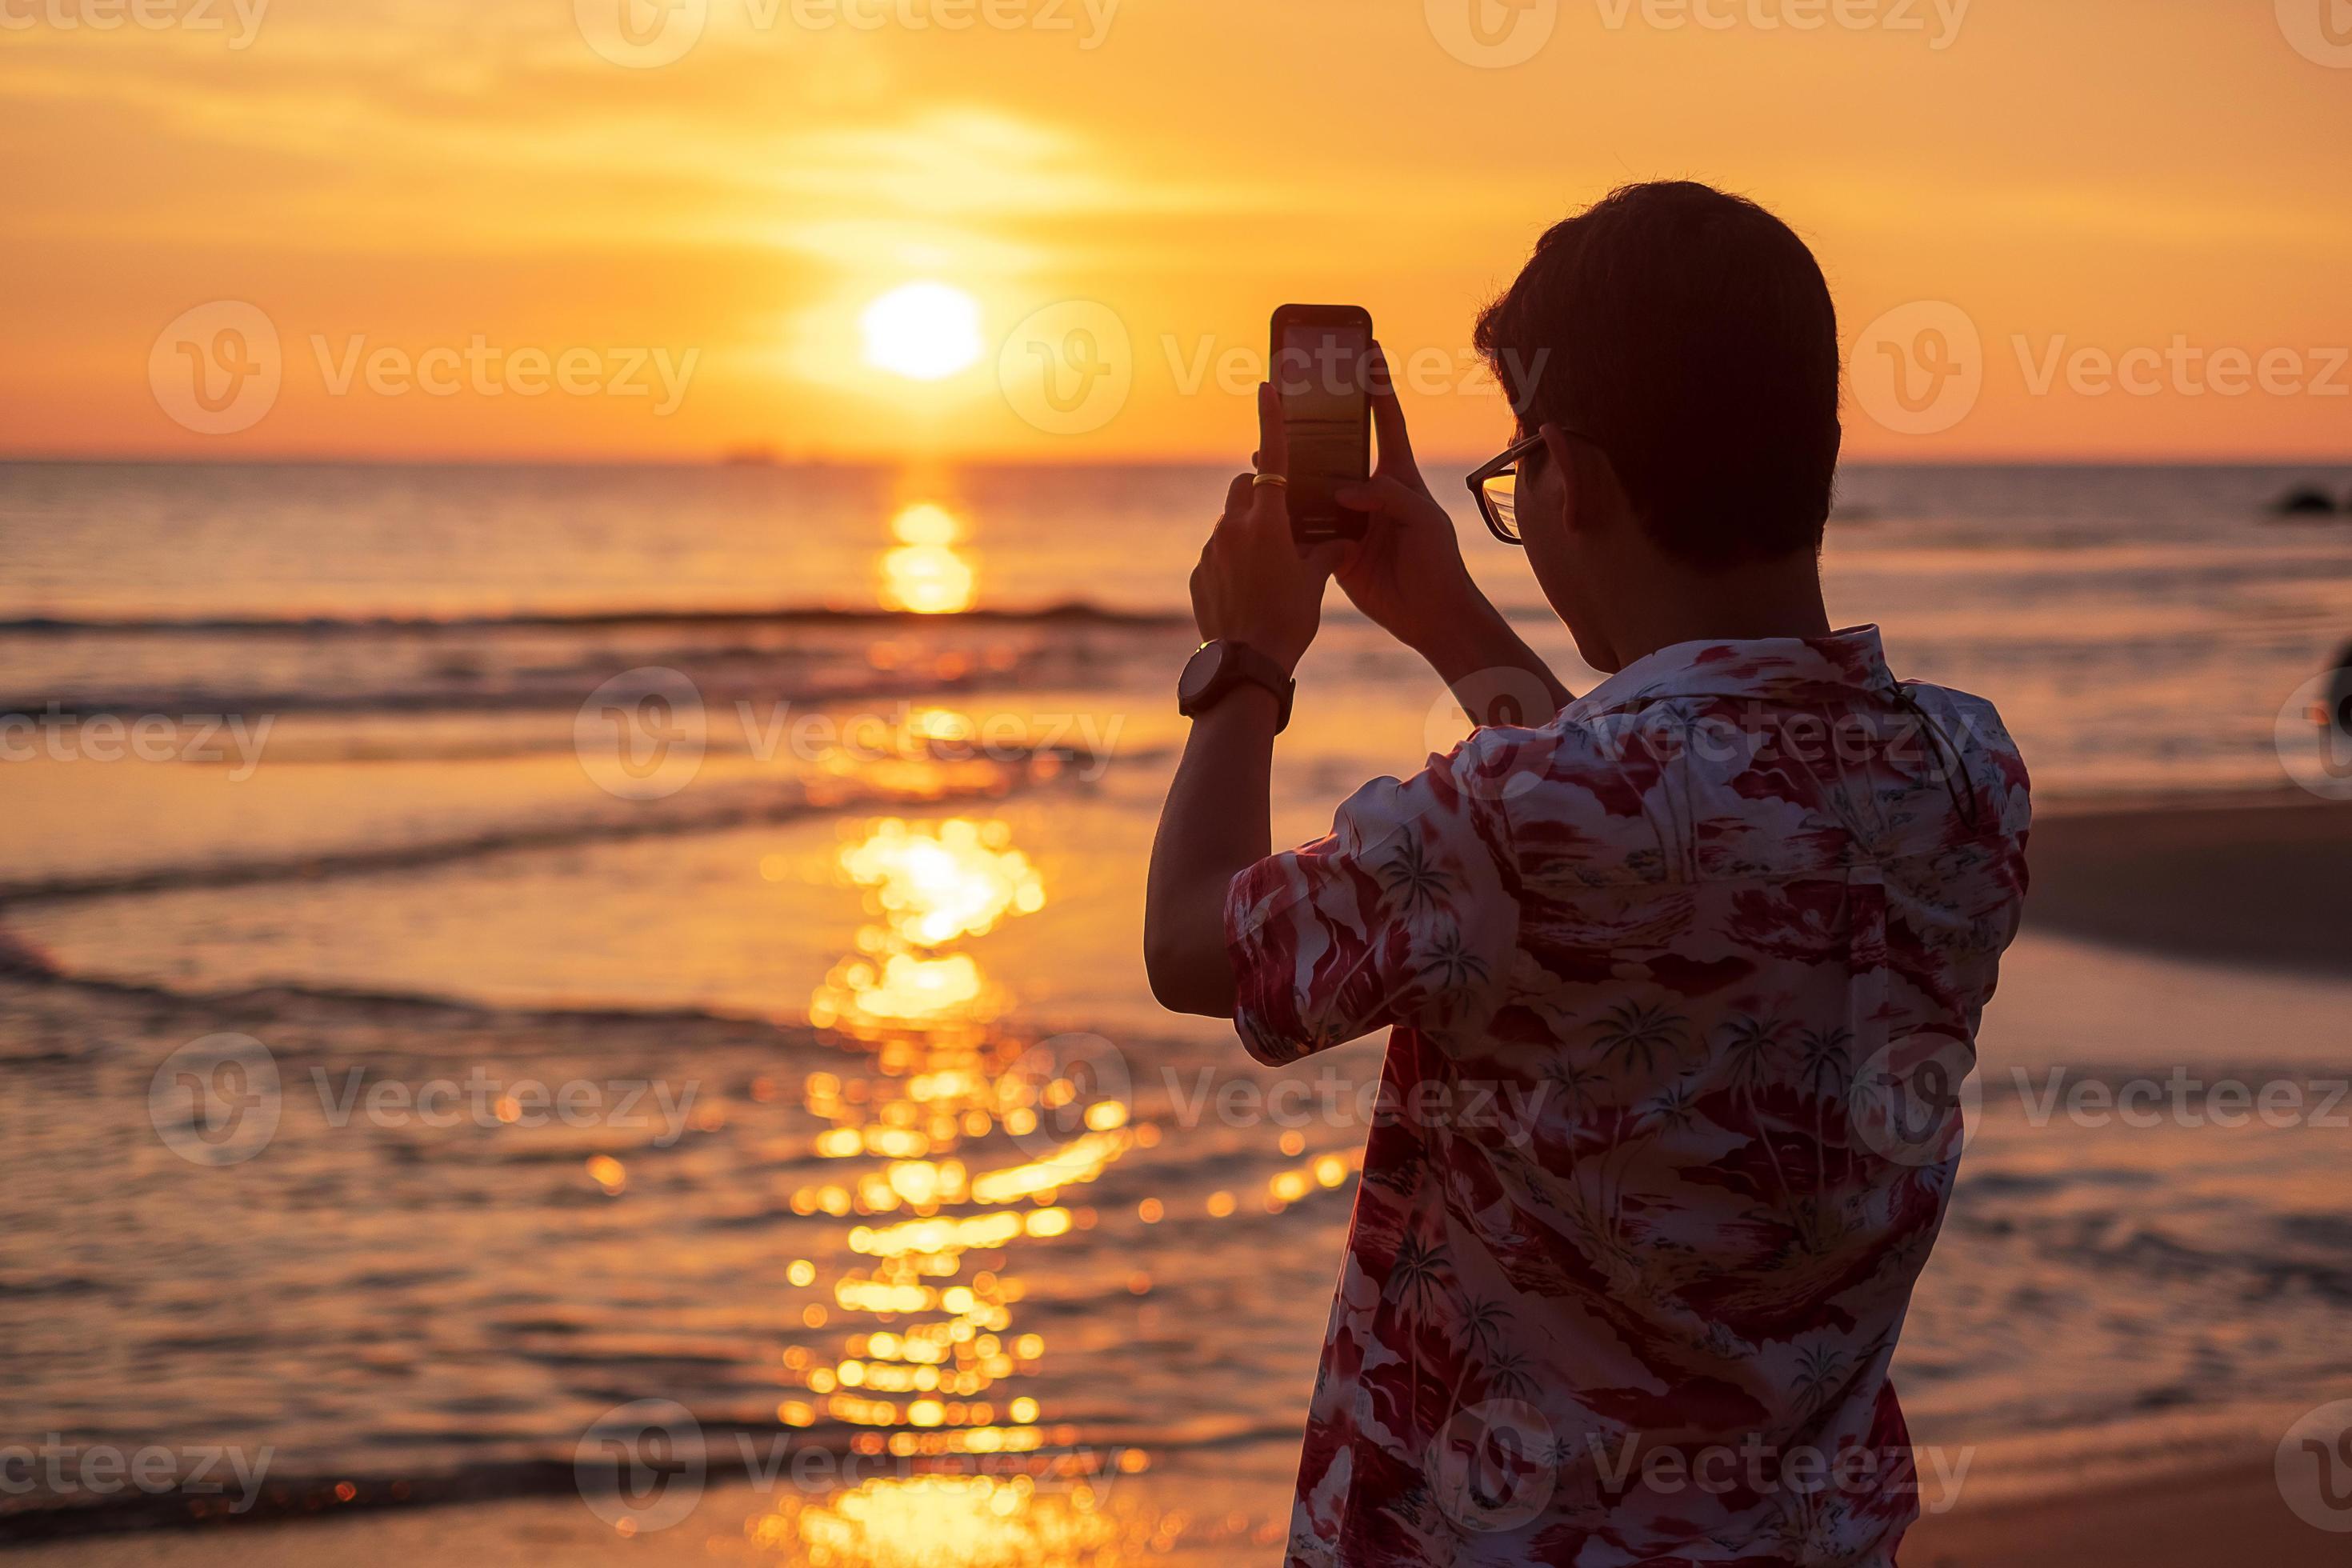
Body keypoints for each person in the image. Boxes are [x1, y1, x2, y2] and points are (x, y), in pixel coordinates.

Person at [1144, 182, 2032, 1566]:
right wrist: (1447, 613)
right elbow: (1667, 804)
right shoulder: (1967, 775)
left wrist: (1248, 662)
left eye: (1517, 473)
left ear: (1581, 479)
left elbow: (1199, 946)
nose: (1515, 504)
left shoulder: (1514, 821)